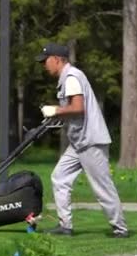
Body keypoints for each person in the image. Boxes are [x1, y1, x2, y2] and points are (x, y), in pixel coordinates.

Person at [35, 42, 128, 238]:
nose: (44, 65)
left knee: (102, 186)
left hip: (91, 141)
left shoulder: (71, 77)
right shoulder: (67, 78)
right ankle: (65, 226)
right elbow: (74, 112)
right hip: (79, 143)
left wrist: (56, 110)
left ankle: (120, 228)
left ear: (58, 60)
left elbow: (78, 107)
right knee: (59, 177)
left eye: (46, 61)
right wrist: (56, 115)